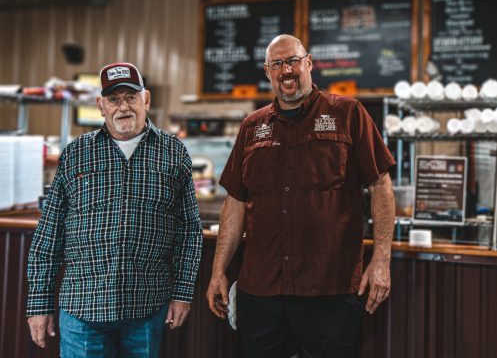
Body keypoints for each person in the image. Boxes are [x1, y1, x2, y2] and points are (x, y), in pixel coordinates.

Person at [206, 35, 395, 358]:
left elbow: (381, 186)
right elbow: (235, 201)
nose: (286, 70)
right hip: (262, 289)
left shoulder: (348, 113)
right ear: (268, 72)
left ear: (308, 63)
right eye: (277, 64)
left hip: (329, 289)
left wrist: (381, 260)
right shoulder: (252, 127)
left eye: (292, 60)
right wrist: (218, 271)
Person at [26, 62, 203, 357]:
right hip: (82, 308)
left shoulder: (174, 153)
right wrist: (39, 305)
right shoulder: (75, 154)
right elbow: (49, 235)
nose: (123, 107)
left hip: (146, 307)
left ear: (146, 100)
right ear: (101, 105)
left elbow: (189, 231)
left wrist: (183, 293)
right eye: (114, 99)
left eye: (131, 97)